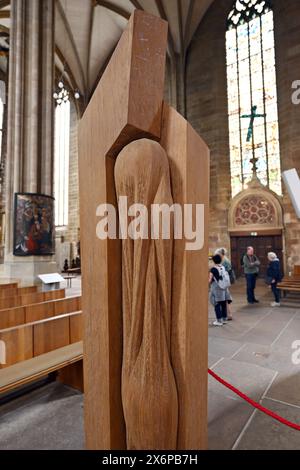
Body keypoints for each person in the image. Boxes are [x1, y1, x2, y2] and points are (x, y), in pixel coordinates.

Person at [209, 254, 230, 326]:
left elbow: (210, 279)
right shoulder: (223, 267)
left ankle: (219, 320)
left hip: (217, 288)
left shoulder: (213, 269)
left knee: (216, 303)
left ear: (214, 261)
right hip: (224, 287)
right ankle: (224, 319)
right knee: (223, 303)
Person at [215, 248, 234, 320]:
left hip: (224, 282)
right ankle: (228, 314)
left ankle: (227, 314)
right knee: (226, 298)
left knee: (224, 298)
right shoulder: (225, 260)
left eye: (217, 254)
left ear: (220, 254)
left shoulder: (224, 261)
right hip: (225, 282)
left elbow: (224, 272)